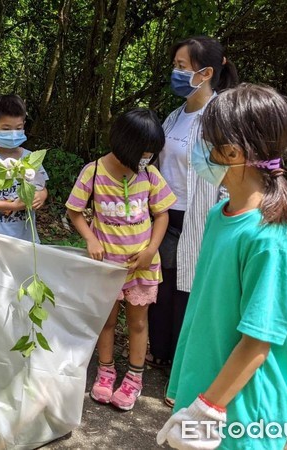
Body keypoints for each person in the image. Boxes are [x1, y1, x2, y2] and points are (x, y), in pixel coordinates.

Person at [156, 84, 287, 449]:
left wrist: (207, 408)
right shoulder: (218, 215)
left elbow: (258, 341)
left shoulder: (268, 239)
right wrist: (185, 388)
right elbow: (204, 313)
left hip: (241, 416)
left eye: (206, 143)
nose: (199, 153)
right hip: (207, 393)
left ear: (232, 152)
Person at [147, 37, 239, 406]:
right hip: (165, 213)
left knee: (193, 291)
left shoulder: (221, 117)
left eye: (183, 66)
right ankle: (162, 354)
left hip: (201, 214)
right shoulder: (175, 114)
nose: (177, 72)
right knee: (164, 283)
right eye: (177, 64)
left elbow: (230, 173)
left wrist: (227, 214)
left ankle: (186, 369)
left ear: (206, 73)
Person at [66, 108, 177, 411]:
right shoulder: (95, 172)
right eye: (143, 154)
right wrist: (90, 238)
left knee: (138, 323)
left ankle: (134, 378)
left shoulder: (150, 175)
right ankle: (105, 371)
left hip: (141, 267)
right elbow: (74, 210)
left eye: (151, 155)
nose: (147, 160)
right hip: (106, 268)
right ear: (125, 144)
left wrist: (151, 249)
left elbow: (162, 215)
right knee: (107, 320)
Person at [0, 94, 49, 242]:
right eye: (6, 128)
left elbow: (42, 186)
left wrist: (42, 195)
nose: (13, 134)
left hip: (27, 238)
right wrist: (13, 206)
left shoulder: (31, 158)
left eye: (18, 128)